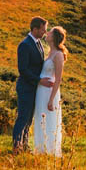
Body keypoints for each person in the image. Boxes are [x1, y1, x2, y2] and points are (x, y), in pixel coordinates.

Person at [13, 17, 47, 151]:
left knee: (29, 120)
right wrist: (38, 80)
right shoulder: (25, 45)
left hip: (34, 88)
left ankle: (25, 145)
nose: (44, 32)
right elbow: (23, 69)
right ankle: (16, 146)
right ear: (35, 29)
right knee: (22, 117)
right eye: (42, 30)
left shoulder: (38, 43)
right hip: (26, 87)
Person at [33, 26, 65, 157]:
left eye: (50, 32)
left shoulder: (58, 55)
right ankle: (40, 149)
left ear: (54, 37)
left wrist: (52, 99)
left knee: (50, 120)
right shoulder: (49, 53)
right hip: (41, 91)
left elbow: (58, 79)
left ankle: (51, 150)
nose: (47, 33)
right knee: (40, 119)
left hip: (49, 93)